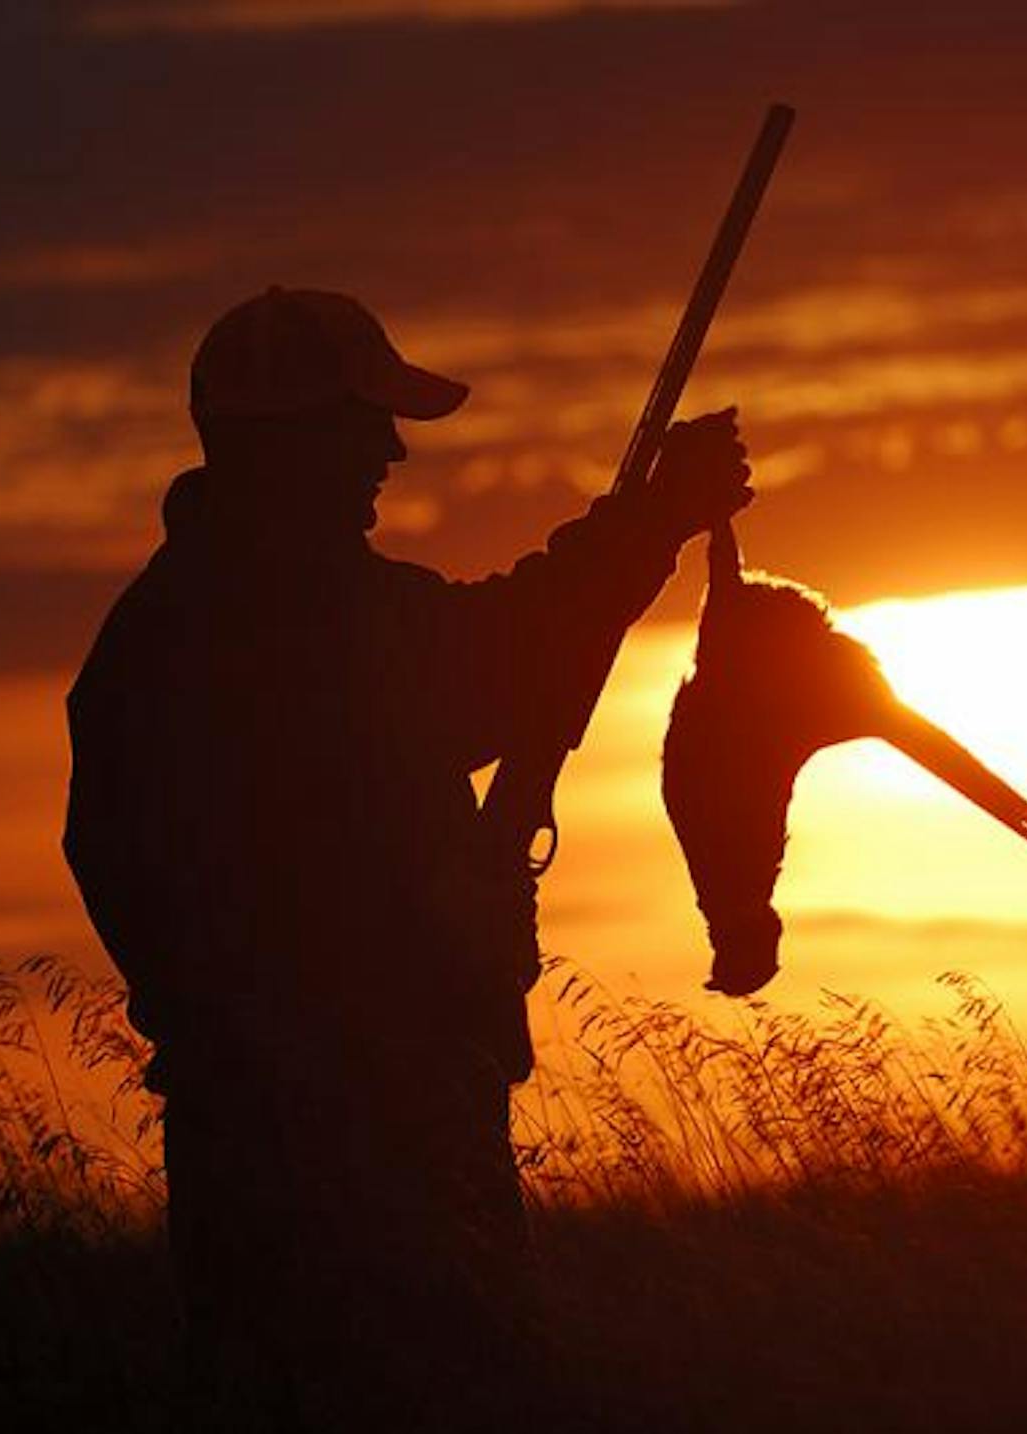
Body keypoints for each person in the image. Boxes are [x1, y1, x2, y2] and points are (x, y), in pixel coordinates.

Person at [61, 287, 752, 1430]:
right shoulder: (292, 626)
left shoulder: (170, 631)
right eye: (362, 424)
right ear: (285, 443)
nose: (389, 451)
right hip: (368, 1137)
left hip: (259, 1135)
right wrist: (652, 520)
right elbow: (506, 658)